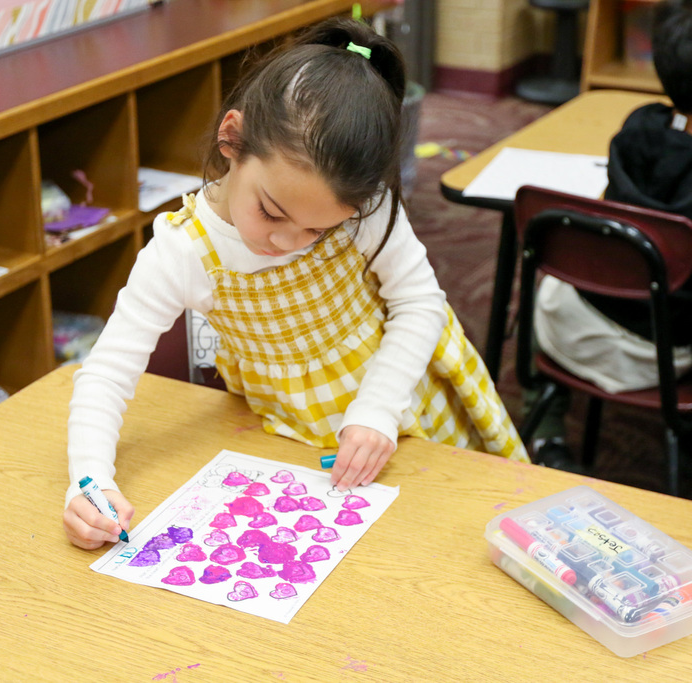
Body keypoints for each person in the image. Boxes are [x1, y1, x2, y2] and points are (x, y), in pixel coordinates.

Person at [63, 18, 528, 550]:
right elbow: (104, 375)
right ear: (231, 139)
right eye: (272, 212)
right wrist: (90, 482)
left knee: (451, 538)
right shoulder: (182, 253)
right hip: (296, 436)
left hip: (408, 402)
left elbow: (420, 304)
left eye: (317, 230)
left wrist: (377, 410)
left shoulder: (366, 207)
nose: (287, 243)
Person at [529, 0, 692, 468]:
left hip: (565, 322)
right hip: (651, 356)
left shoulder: (638, 124)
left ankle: (545, 428)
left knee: (569, 268)